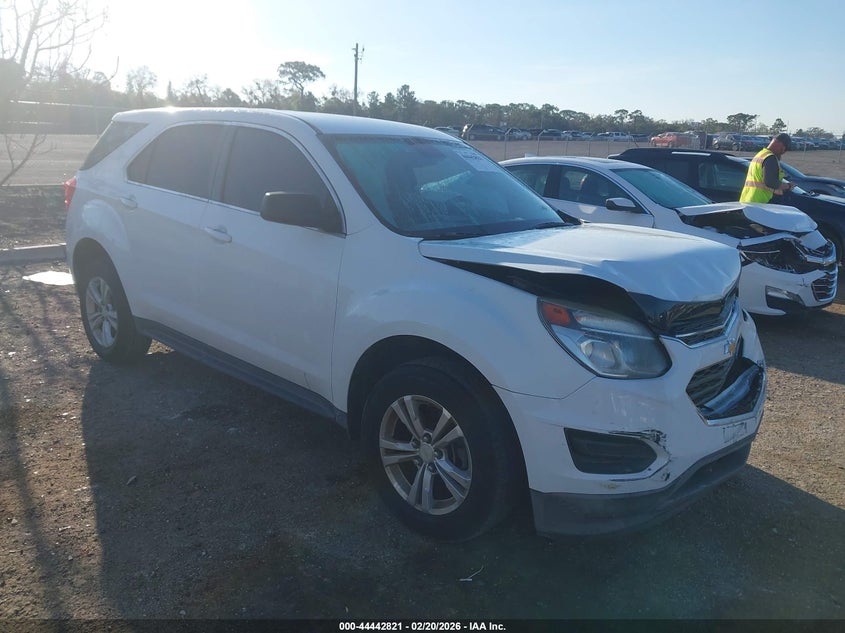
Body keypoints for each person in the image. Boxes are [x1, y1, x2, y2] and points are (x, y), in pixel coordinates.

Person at [739, 133, 794, 203]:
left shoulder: (760, 154)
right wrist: (788, 186)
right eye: (784, 148)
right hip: (759, 202)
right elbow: (770, 182)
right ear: (778, 143)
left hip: (748, 199)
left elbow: (761, 181)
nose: (783, 152)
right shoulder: (770, 158)